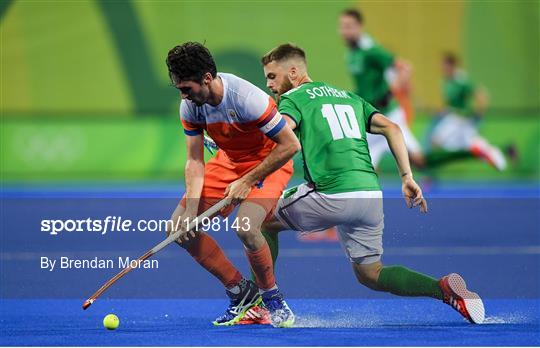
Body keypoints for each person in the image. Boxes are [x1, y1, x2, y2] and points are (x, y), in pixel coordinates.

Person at [259, 43, 485, 324]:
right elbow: (392, 127)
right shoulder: (348, 96)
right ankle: (442, 289)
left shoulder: (293, 98)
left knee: (263, 220)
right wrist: (407, 177)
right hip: (369, 196)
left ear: (293, 72)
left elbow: (281, 134)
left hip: (332, 194)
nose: (268, 84)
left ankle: (264, 303)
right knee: (371, 274)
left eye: (272, 76)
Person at [165, 42, 299, 327]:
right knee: (178, 228)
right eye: (179, 89)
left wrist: (248, 180)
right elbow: (195, 161)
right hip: (230, 162)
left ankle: (272, 298)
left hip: (270, 160)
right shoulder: (190, 106)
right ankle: (242, 294)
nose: (183, 96)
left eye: (186, 88)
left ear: (207, 79)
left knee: (246, 228)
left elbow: (290, 146)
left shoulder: (246, 98)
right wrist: (191, 210)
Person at [338, 8, 425, 169]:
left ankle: (433, 176)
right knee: (366, 163)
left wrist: (390, 92)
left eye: (349, 26)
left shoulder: (371, 50)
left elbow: (405, 68)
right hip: (371, 114)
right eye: (342, 26)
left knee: (417, 159)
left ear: (359, 27)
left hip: (390, 114)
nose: (344, 31)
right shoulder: (351, 53)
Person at [426, 52, 507, 170]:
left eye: (444, 64)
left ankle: (429, 175)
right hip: (453, 117)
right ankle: (493, 153)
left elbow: (481, 94)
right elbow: (451, 104)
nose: (442, 67)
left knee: (435, 141)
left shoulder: (461, 79)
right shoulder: (445, 81)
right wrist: (440, 111)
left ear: (452, 65)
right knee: (468, 145)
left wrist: (479, 113)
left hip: (460, 119)